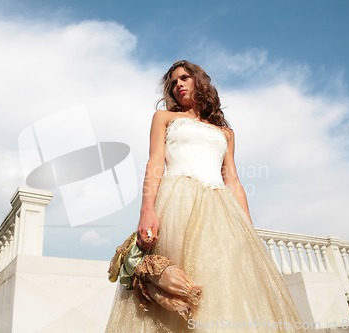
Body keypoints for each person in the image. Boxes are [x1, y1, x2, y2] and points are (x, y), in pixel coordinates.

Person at [105, 60, 305, 332]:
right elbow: (155, 163)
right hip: (177, 201)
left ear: (199, 81)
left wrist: (247, 228)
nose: (178, 85)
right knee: (176, 285)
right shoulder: (165, 118)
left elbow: (232, 178)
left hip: (219, 206)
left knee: (221, 281)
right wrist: (147, 211)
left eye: (184, 78)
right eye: (173, 82)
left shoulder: (226, 133)